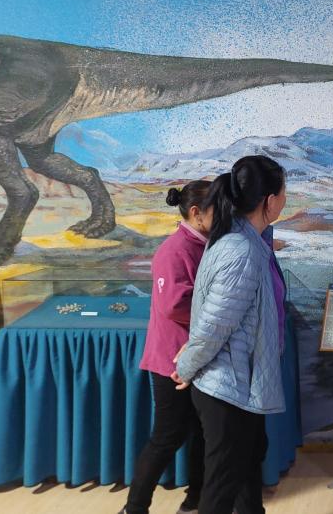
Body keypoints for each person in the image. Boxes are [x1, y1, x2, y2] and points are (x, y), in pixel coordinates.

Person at [173, 155, 288, 514]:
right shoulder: (241, 251)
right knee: (221, 491)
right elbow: (213, 327)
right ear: (270, 201)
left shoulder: (240, 236)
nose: (286, 200)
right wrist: (186, 366)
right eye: (284, 193)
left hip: (238, 386)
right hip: (226, 391)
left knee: (246, 476)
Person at [121, 181, 212, 514]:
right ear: (196, 213)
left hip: (197, 355)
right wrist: (219, 315)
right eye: (218, 209)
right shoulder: (174, 250)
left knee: (203, 432)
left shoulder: (204, 245)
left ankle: (196, 499)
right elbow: (174, 305)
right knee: (167, 436)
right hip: (172, 360)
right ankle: (135, 507)